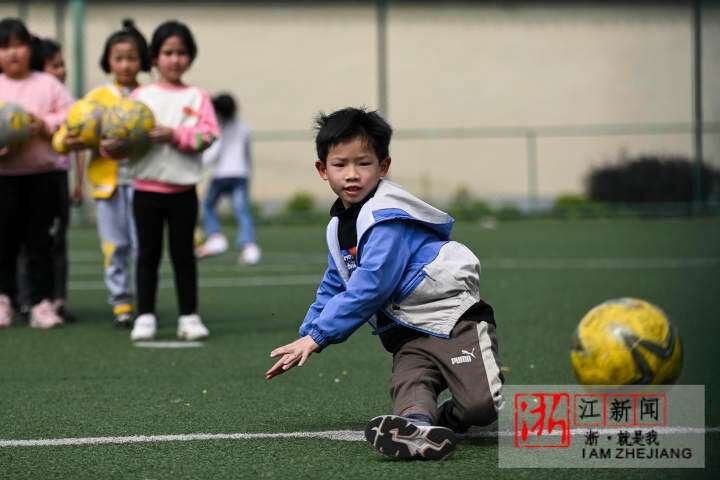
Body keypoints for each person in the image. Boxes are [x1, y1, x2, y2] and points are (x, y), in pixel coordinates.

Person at [266, 107, 504, 460]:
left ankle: (448, 419)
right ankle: (418, 428)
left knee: (480, 407)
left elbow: (371, 286)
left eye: (363, 163)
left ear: (383, 166)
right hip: (407, 333)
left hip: (453, 321)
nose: (352, 175)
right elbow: (336, 282)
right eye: (340, 164)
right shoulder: (339, 226)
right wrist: (308, 331)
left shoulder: (385, 217)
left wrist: (318, 338)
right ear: (322, 170)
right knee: (411, 386)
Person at [125, 20, 218, 341]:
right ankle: (145, 315)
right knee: (147, 254)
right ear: (154, 57)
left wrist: (174, 134)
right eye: (168, 52)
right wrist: (113, 146)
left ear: (190, 57)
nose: (175, 59)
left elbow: (208, 136)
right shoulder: (140, 96)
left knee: (183, 255)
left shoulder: (197, 96)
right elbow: (122, 137)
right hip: (145, 190)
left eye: (181, 52)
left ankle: (189, 316)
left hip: (183, 191)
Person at [53, 19, 150, 328]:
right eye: (118, 58)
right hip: (108, 185)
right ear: (108, 61)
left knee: (143, 246)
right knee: (115, 245)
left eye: (131, 57)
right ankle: (121, 302)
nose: (125, 64)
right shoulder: (95, 100)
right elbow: (65, 135)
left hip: (144, 182)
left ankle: (145, 303)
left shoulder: (150, 96)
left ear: (142, 60)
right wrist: (66, 141)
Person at [0, 18, 73, 329]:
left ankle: (41, 303)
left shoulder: (47, 84)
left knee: (39, 242)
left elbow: (71, 115)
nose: (13, 53)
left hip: (41, 176)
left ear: (30, 48)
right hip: (4, 178)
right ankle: (5, 300)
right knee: (3, 243)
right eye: (5, 47)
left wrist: (45, 125)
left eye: (19, 45)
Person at [15, 36, 83, 323]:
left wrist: (78, 181)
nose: (61, 71)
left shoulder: (61, 99)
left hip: (54, 175)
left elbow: (77, 139)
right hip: (29, 176)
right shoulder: (29, 95)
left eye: (62, 65)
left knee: (55, 241)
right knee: (23, 242)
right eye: (54, 65)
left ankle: (56, 299)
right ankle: (24, 298)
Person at [196, 93, 261, 265]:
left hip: (221, 174)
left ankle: (216, 237)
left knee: (209, 205)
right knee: (242, 210)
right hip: (240, 174)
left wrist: (198, 164)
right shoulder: (244, 128)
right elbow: (247, 154)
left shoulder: (218, 128)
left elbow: (213, 153)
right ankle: (249, 247)